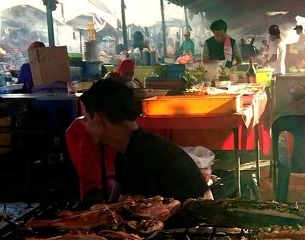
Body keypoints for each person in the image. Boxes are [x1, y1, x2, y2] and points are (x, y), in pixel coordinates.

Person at [80, 78, 210, 202]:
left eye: (87, 119)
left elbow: (122, 214)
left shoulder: (142, 155)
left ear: (98, 118)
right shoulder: (128, 147)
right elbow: (113, 204)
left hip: (194, 221)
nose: (86, 127)